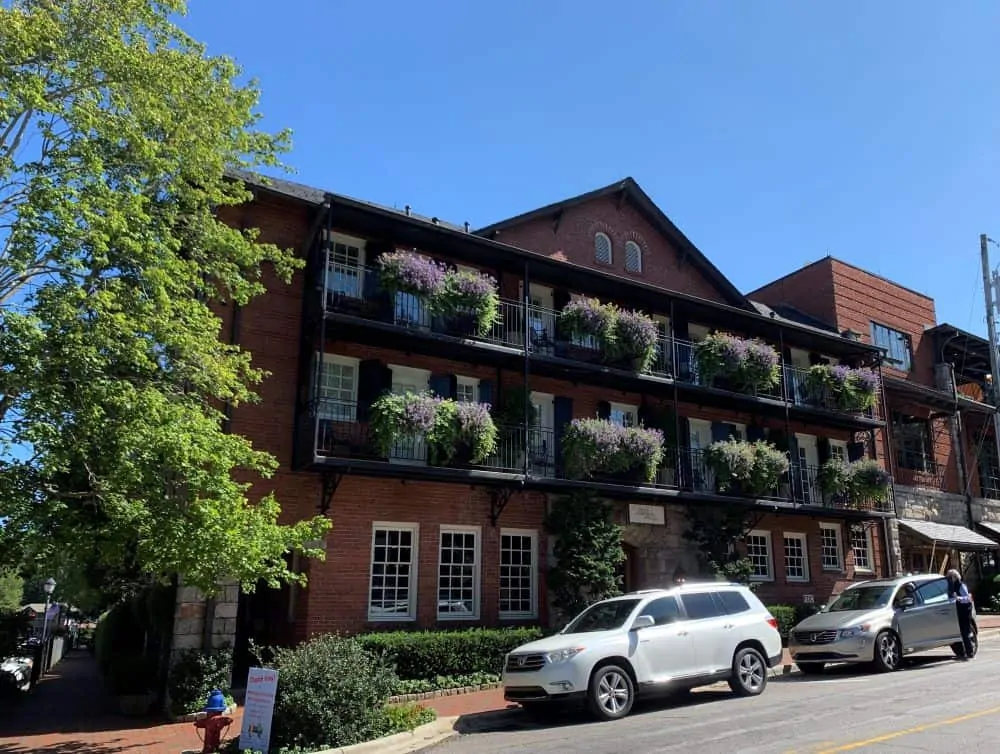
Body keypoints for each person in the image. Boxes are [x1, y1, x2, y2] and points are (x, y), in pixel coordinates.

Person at [947, 569, 975, 660]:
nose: (949, 579)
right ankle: (961, 653)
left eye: (950, 577)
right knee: (959, 633)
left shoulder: (961, 585)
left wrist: (958, 598)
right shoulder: (952, 586)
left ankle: (969, 652)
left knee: (965, 632)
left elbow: (968, 598)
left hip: (964, 612)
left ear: (954, 577)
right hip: (957, 612)